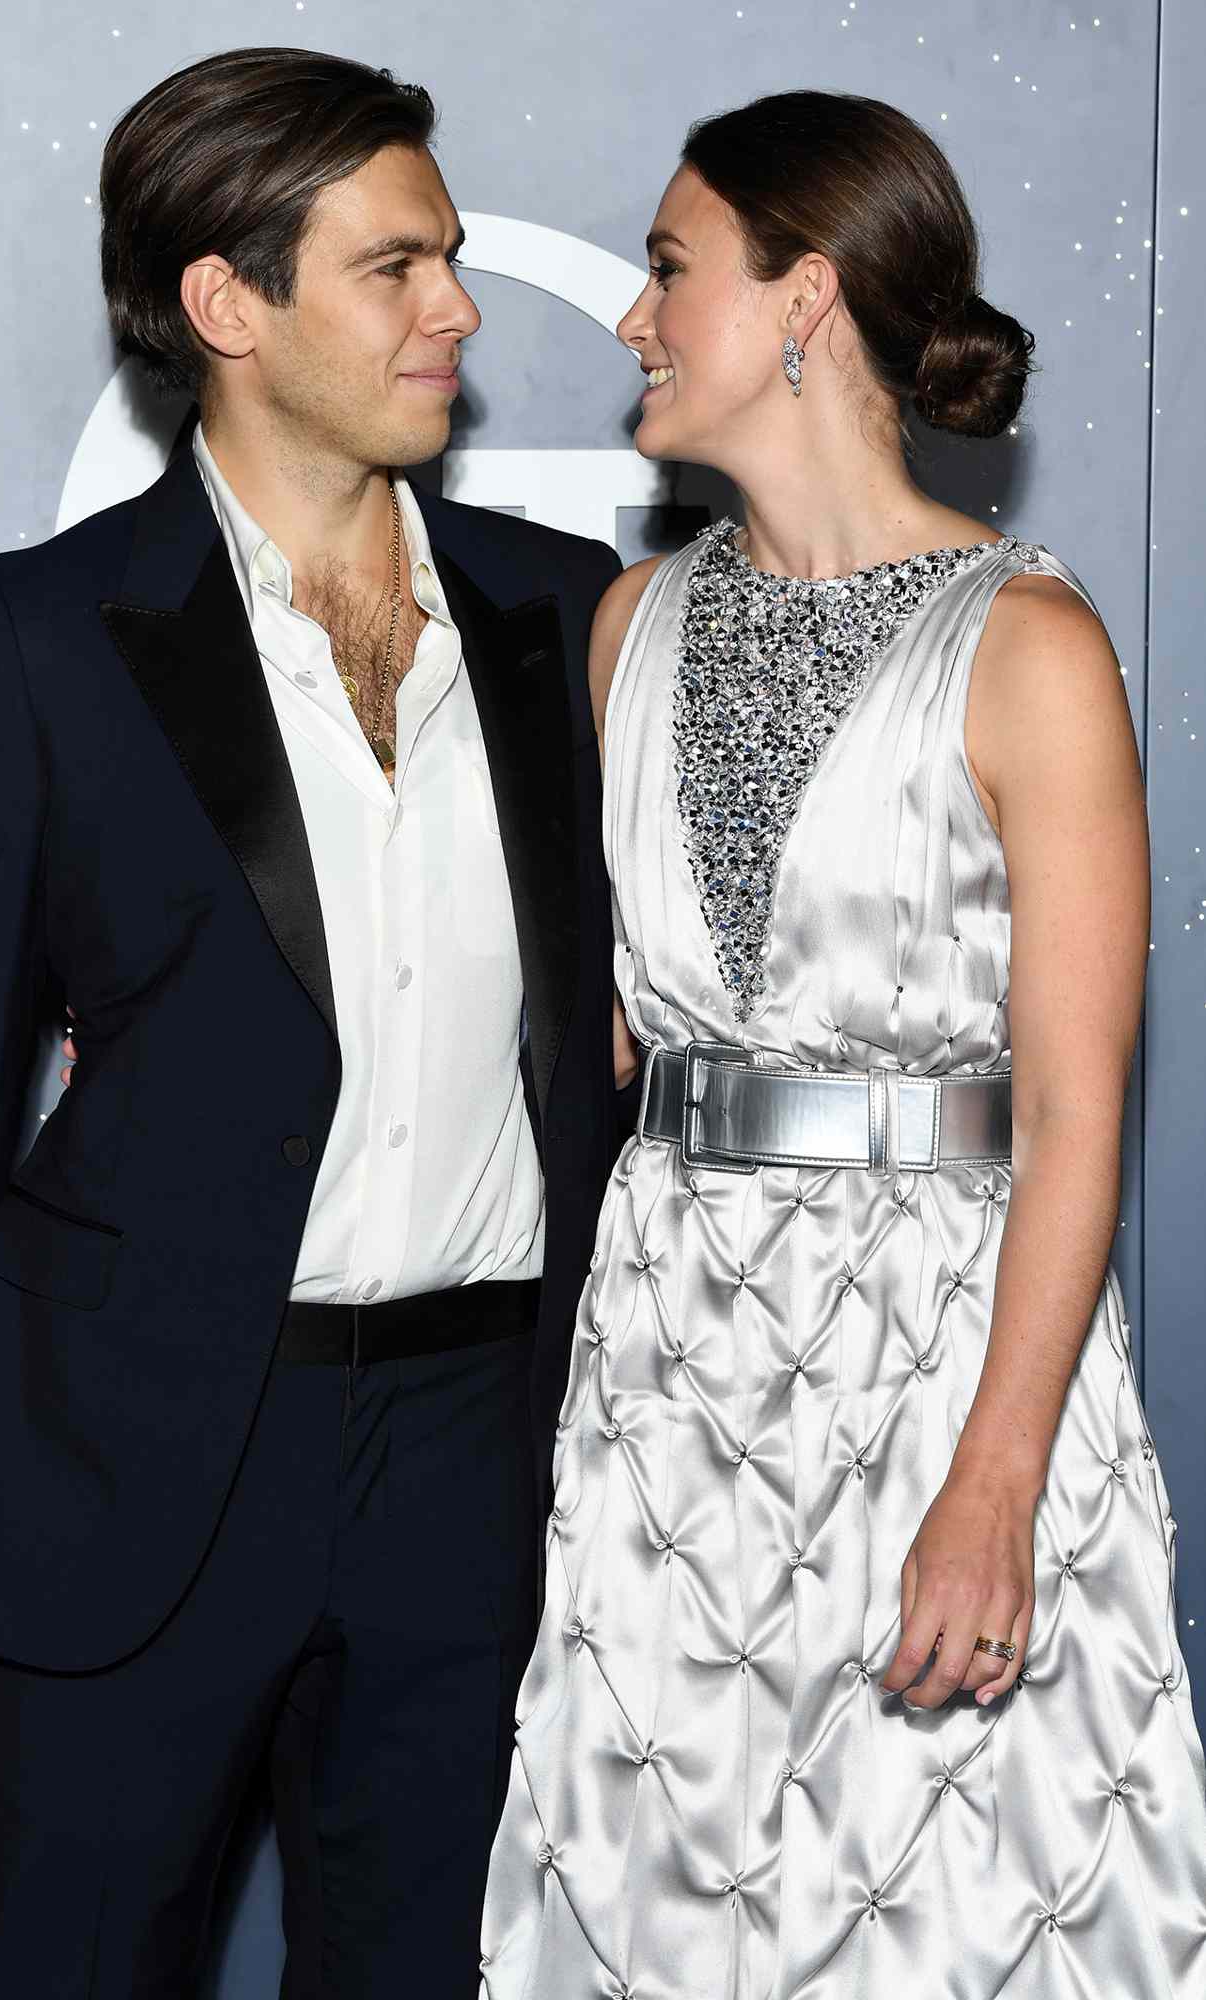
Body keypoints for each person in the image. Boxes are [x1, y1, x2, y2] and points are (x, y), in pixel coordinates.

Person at [0, 48, 623, 1997]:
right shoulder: (43, 639)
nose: (460, 307)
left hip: (474, 1462)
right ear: (225, 304)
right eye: (397, 265)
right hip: (126, 1469)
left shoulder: (564, 612)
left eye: (446, 257)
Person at [480, 90, 1206, 1997]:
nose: (632, 321)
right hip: (667, 1375)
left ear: (803, 296)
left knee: (957, 1913)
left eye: (665, 270)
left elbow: (1071, 1115)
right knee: (656, 1909)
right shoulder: (628, 623)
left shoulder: (1025, 647)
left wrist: (995, 1485)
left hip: (938, 1362)